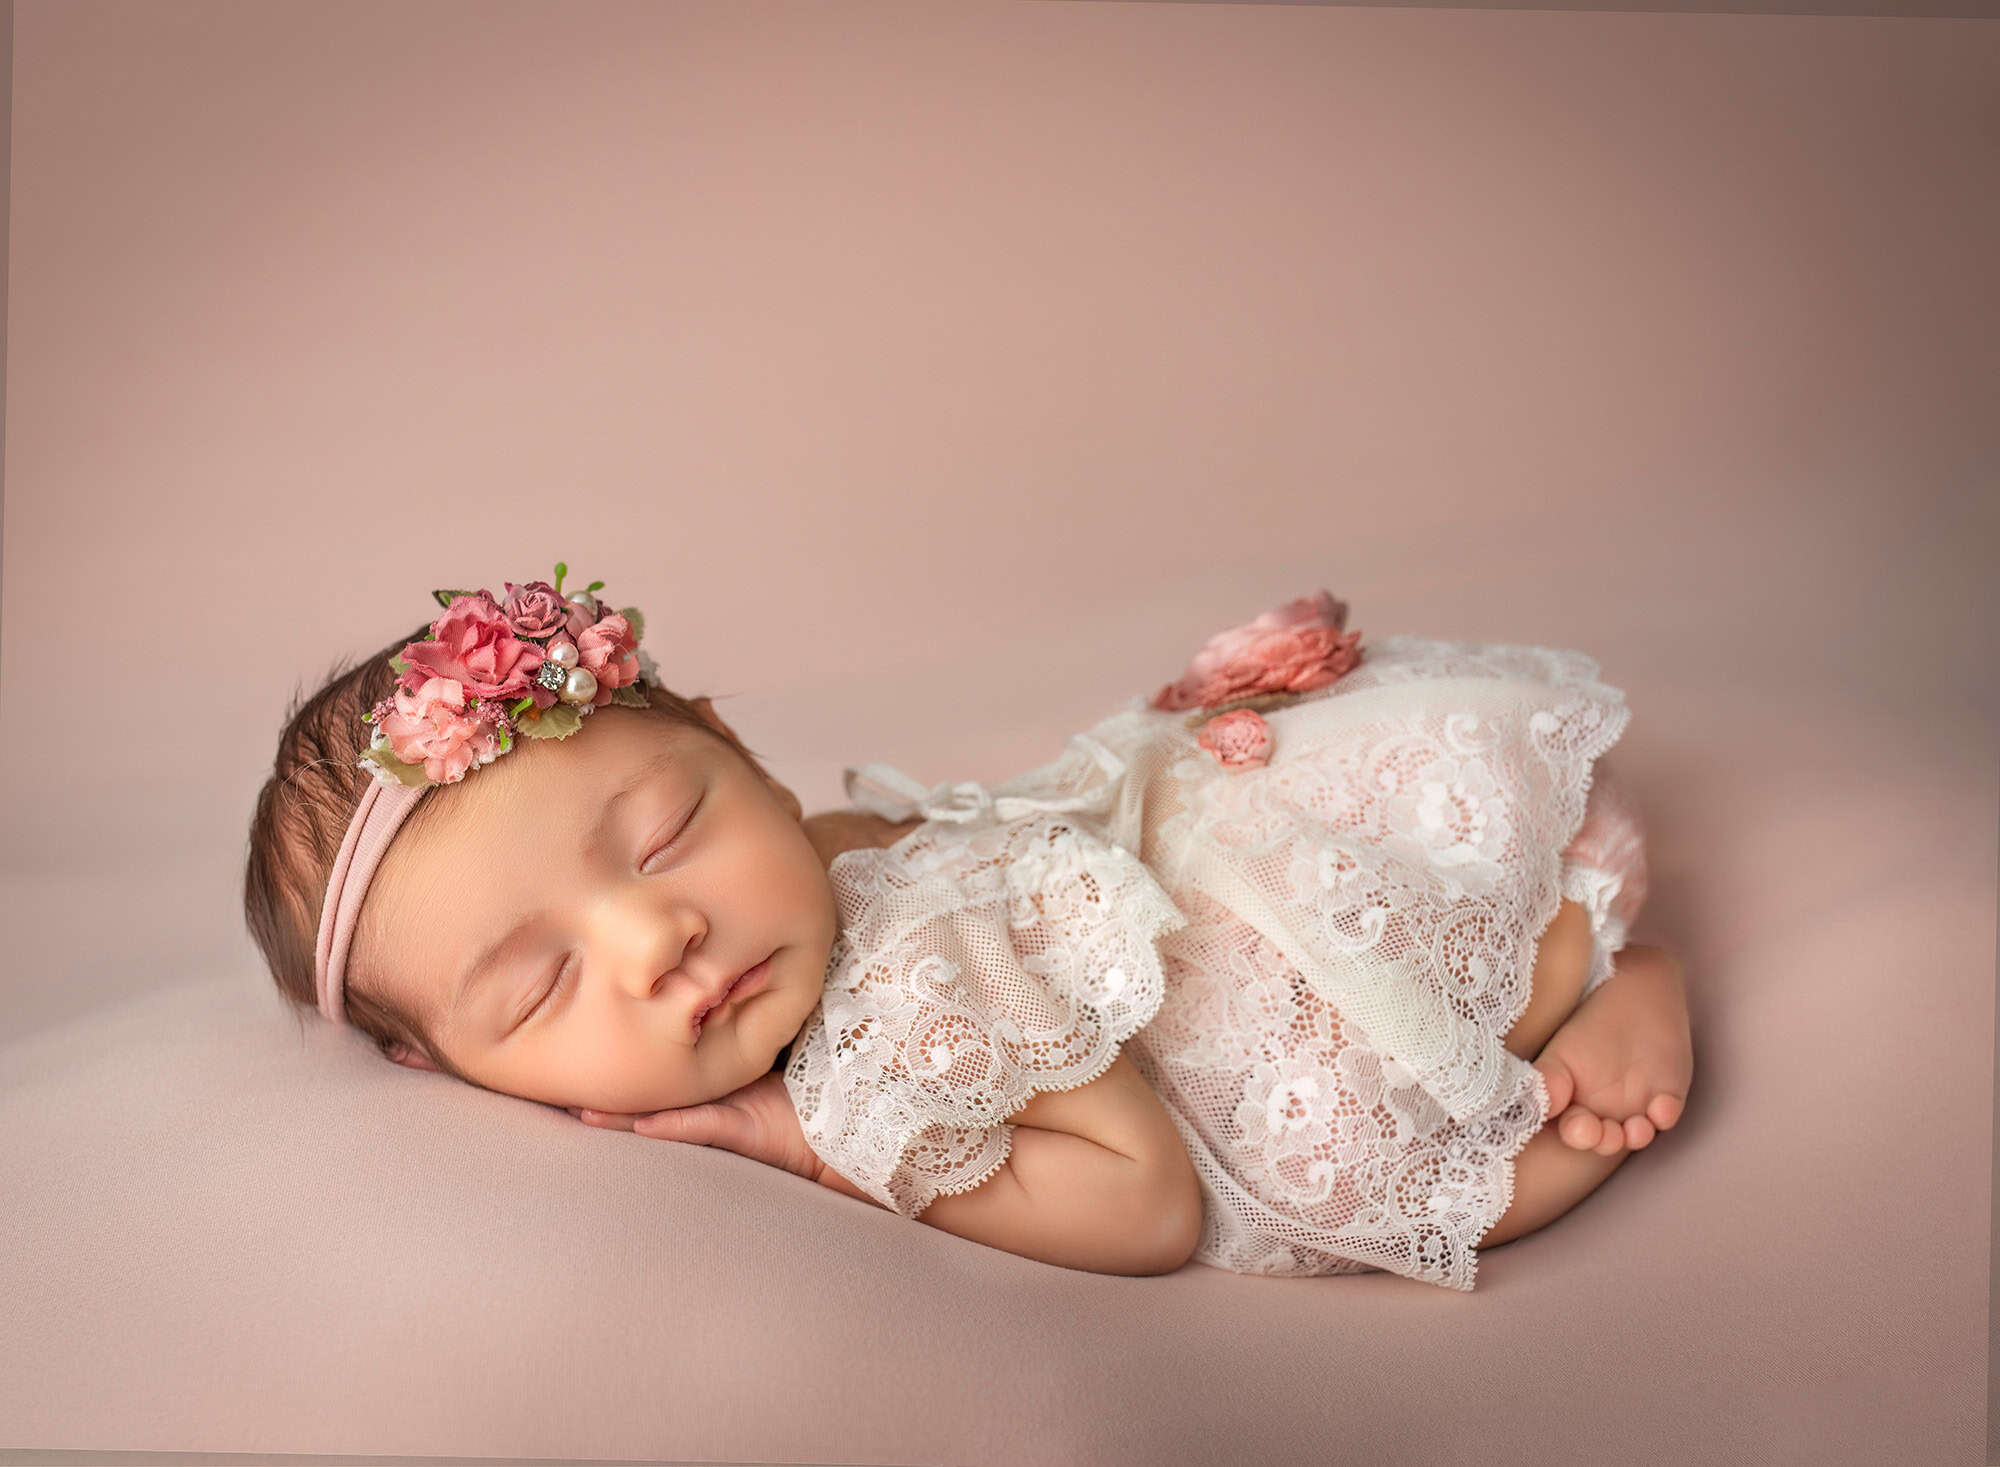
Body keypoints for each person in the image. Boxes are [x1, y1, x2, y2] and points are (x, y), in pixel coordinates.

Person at [244, 563, 1692, 1290]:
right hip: (1241, 874)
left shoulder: (900, 991)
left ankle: (1618, 976)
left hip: (1330, 946)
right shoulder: (813, 865)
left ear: (740, 752)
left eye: (670, 834)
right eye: (543, 984)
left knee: (1395, 1176)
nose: (656, 938)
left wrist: (819, 1146)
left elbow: (1150, 1203)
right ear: (446, 1067)